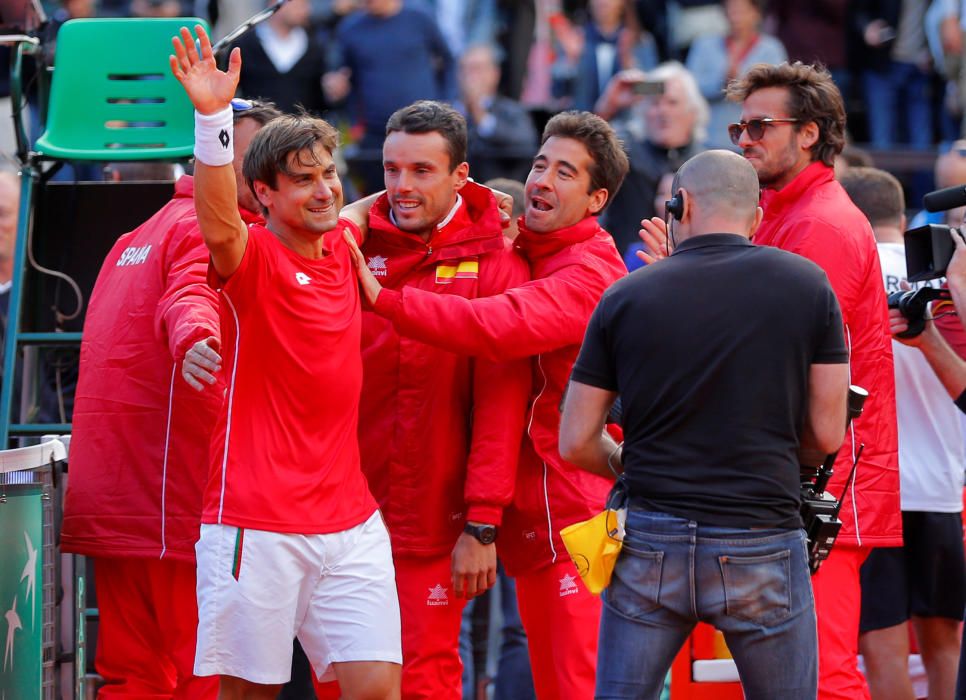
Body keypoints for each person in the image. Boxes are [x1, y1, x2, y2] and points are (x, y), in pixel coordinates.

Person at [343, 110, 629, 699]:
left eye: (566, 173)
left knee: (579, 686)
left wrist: (385, 300)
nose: (544, 181)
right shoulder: (525, 243)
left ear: (597, 197)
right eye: (541, 165)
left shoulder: (590, 270)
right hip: (537, 518)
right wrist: (437, 191)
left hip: (575, 515)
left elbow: (494, 325)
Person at [641, 61, 901, 700]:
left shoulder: (817, 226)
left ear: (809, 133)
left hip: (825, 486)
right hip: (801, 478)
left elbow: (776, 359)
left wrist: (683, 281)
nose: (744, 140)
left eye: (760, 126)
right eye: (739, 126)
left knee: (822, 675)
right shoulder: (784, 214)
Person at [559, 148, 849, 699]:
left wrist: (625, 462)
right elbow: (827, 433)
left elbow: (575, 440)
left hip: (650, 539)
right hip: (763, 533)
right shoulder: (808, 286)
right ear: (756, 217)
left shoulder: (626, 294)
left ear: (680, 205)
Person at [168, 25, 401, 700]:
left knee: (378, 691)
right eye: (303, 181)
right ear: (263, 195)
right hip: (252, 521)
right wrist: (213, 117)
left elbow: (365, 205)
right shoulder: (252, 257)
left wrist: (475, 208)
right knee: (248, 696)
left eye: (328, 173)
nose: (324, 190)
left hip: (351, 522)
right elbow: (215, 221)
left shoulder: (343, 245)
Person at [60, 99, 280, 700]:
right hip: (176, 505)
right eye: (258, 157)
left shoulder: (134, 235)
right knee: (197, 677)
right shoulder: (204, 229)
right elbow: (189, 297)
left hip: (120, 499)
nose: (270, 175)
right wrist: (197, 337)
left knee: (133, 678)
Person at [352, 99, 530, 699]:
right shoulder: (349, 244)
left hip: (436, 517)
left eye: (422, 171)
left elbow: (502, 407)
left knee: (427, 674)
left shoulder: (497, 261)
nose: (402, 187)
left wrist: (481, 524)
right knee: (339, 675)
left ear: (462, 176)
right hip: (340, 515)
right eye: (391, 169)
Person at [840, 167, 965, 700]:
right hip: (941, 485)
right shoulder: (946, 278)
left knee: (882, 647)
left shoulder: (848, 273)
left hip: (873, 488)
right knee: (945, 644)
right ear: (898, 214)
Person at [594, 61, 707, 255]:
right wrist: (607, 107)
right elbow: (579, 154)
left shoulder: (708, 164)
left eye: (672, 102)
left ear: (693, 112)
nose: (663, 111)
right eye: (654, 103)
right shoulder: (623, 154)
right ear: (642, 112)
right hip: (625, 269)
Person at [685, 0, 786, 150]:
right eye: (731, 10)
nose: (735, 16)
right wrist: (721, 82)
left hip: (755, 138)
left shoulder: (771, 48)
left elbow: (778, 91)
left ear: (756, 14)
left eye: (742, 10)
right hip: (709, 138)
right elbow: (688, 88)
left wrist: (742, 85)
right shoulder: (704, 45)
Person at [457, 43, 538, 182]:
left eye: (477, 69)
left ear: (495, 74)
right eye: (466, 69)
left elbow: (524, 143)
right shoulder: (450, 110)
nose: (471, 76)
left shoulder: (511, 111)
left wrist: (481, 117)